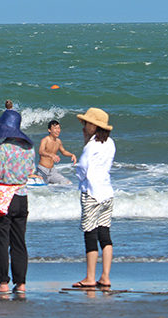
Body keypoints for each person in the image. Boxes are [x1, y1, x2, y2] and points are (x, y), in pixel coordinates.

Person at [0, 108, 35, 294]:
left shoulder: (3, 148)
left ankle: (3, 283)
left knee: (2, 242)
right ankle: (21, 284)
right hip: (22, 197)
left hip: (5, 198)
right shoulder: (29, 148)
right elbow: (29, 171)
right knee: (19, 242)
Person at [71, 107, 116, 289]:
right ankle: (105, 276)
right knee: (105, 234)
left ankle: (90, 277)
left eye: (87, 123)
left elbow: (82, 167)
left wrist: (80, 178)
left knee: (90, 234)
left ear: (95, 126)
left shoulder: (91, 145)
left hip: (91, 192)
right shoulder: (110, 142)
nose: (84, 126)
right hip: (107, 192)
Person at [36, 120, 76, 185]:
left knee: (67, 183)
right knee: (43, 189)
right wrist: (51, 155)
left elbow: (63, 151)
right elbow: (41, 151)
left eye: (59, 128)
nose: (58, 130)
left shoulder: (58, 141)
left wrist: (71, 155)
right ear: (49, 130)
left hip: (52, 171)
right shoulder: (45, 140)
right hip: (43, 170)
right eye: (55, 128)